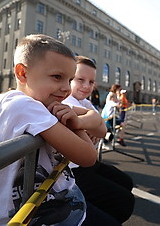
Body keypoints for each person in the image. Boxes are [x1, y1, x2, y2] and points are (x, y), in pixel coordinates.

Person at [0, 34, 119, 225]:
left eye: (69, 80)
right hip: (34, 217)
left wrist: (73, 118)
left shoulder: (2, 101)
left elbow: (96, 124)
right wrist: (74, 122)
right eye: (57, 77)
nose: (66, 89)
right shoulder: (24, 105)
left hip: (45, 208)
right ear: (22, 73)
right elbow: (88, 157)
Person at [63, 56, 135, 223]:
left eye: (91, 81)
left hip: (87, 164)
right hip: (72, 171)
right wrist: (90, 125)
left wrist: (92, 125)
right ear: (69, 78)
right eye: (80, 80)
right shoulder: (67, 100)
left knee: (126, 182)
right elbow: (90, 124)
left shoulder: (85, 102)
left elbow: (100, 128)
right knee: (123, 203)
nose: (87, 86)